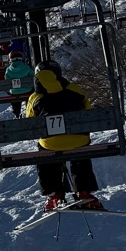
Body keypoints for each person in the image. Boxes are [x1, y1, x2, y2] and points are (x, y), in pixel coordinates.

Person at [25, 60, 104, 211]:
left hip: (51, 143)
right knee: (80, 151)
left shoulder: (35, 97)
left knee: (45, 152)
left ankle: (54, 194)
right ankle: (84, 192)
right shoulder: (74, 89)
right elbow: (89, 112)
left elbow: (31, 123)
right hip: (78, 140)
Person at [3, 40, 34, 117]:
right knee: (31, 91)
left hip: (15, 92)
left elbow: (7, 80)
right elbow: (33, 75)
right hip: (27, 90)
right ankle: (29, 108)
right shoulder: (26, 67)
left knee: (14, 95)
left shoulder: (8, 70)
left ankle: (17, 112)